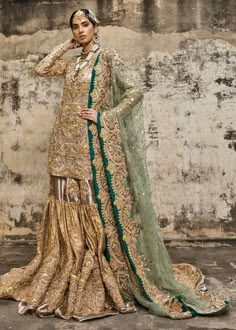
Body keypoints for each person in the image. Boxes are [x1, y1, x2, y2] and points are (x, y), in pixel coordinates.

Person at [0, 8, 229, 322]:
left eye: (85, 25)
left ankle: (96, 262)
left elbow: (134, 91)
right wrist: (66, 46)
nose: (80, 31)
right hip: (61, 144)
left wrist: (105, 116)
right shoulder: (72, 61)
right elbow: (42, 68)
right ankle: (68, 259)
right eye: (75, 26)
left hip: (87, 145)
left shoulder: (106, 58)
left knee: (90, 204)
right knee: (64, 202)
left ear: (96, 27)